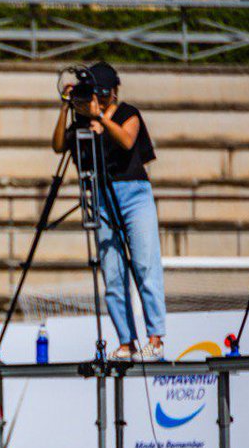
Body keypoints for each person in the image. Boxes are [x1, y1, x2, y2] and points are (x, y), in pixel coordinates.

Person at [52, 61, 168, 362]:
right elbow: (58, 146)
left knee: (144, 264)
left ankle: (155, 339)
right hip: (101, 195)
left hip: (134, 194)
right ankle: (126, 341)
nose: (99, 101)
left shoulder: (128, 113)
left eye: (104, 96)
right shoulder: (81, 119)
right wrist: (67, 108)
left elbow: (127, 140)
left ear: (113, 92)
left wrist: (100, 116)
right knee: (113, 273)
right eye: (96, 96)